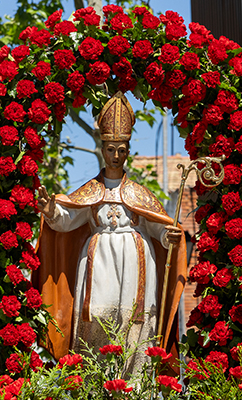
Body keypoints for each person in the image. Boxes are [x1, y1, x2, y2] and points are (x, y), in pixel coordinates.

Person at [34, 92, 187, 373]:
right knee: (97, 321)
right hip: (98, 265)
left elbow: (159, 228)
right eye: (110, 149)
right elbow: (66, 220)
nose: (116, 155)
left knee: (135, 327)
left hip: (137, 264)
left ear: (128, 151)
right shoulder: (90, 192)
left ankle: (135, 387)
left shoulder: (140, 194)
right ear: (102, 150)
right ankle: (94, 387)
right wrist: (50, 210)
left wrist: (170, 237)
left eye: (122, 149)